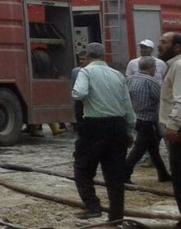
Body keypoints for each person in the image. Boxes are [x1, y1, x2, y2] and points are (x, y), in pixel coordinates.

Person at [71, 42, 136, 222]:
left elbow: (79, 94)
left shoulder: (86, 72)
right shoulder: (117, 75)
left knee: (82, 168)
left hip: (94, 126)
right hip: (118, 126)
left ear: (88, 56)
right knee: (115, 175)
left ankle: (92, 206)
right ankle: (116, 216)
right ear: (103, 56)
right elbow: (127, 106)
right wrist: (129, 131)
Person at [124, 56, 171, 183]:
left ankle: (163, 174)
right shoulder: (151, 82)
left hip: (136, 117)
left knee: (153, 148)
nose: (155, 70)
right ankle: (125, 173)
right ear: (150, 68)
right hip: (148, 119)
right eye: (154, 68)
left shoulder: (130, 80)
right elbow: (160, 100)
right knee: (139, 148)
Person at [158, 32, 181, 219]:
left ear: (177, 47)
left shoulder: (179, 66)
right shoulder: (174, 65)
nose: (160, 45)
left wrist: (173, 126)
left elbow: (179, 99)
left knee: (179, 178)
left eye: (164, 42)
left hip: (178, 130)